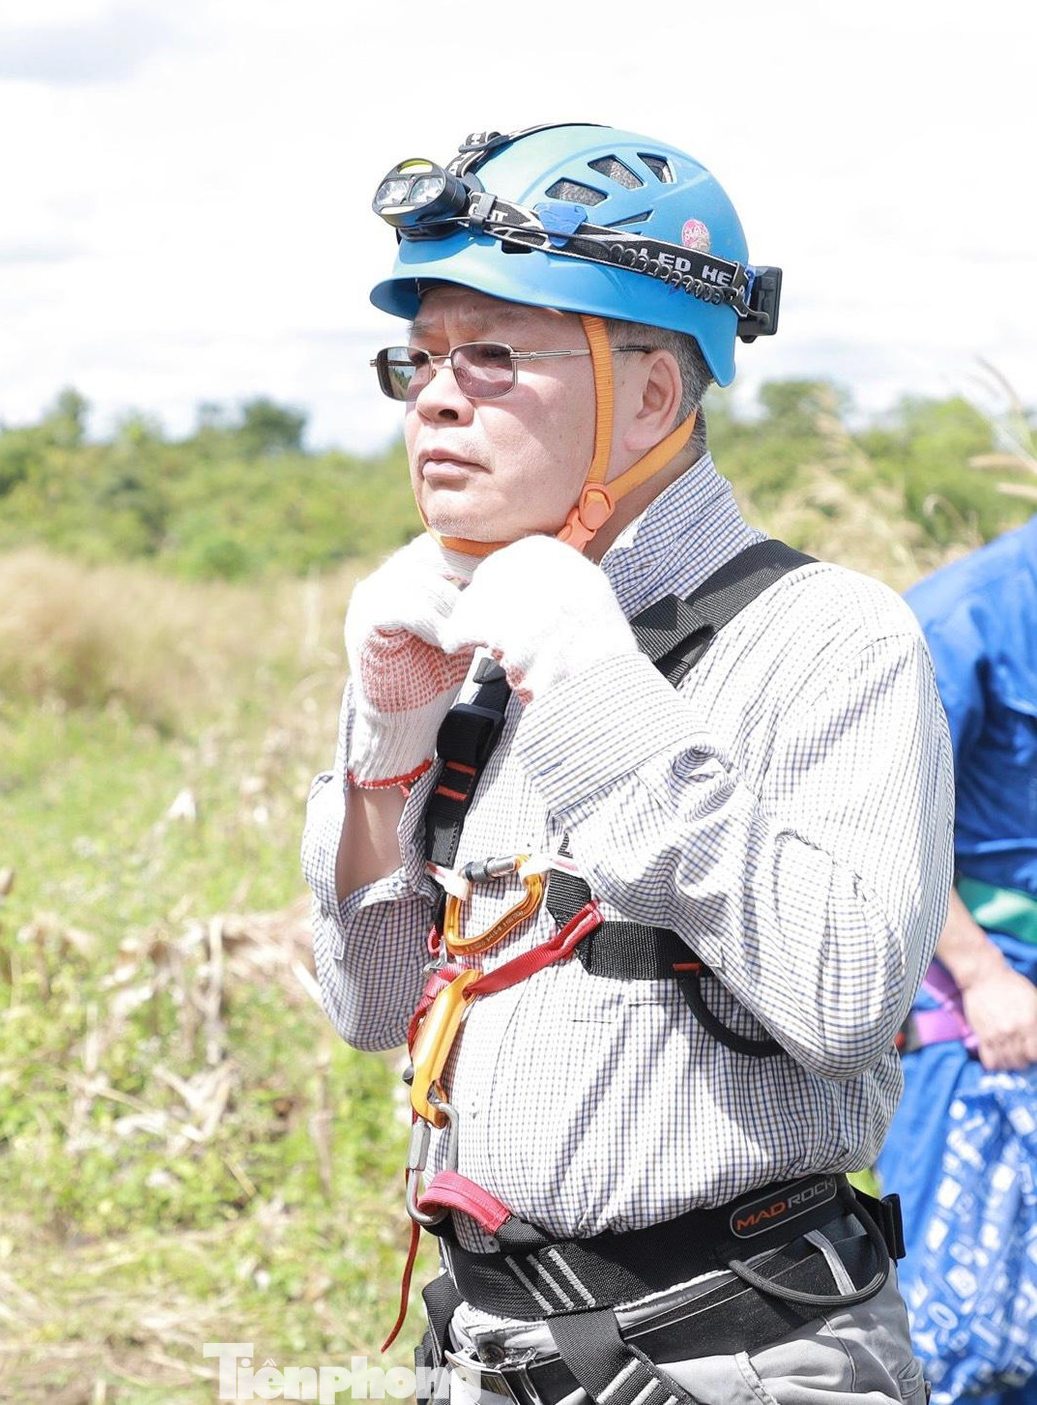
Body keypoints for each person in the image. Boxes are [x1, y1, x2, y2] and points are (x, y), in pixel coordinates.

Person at [301, 123, 953, 1404]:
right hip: (491, 1351)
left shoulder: (832, 636)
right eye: (421, 357)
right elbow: (373, 1007)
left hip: (741, 1358)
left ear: (652, 393)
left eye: (492, 354)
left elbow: (845, 998)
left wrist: (599, 695)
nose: (435, 396)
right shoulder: (474, 642)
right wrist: (381, 758)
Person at [876, 517, 1037, 1405]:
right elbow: (889, 824)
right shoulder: (958, 619)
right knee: (957, 1335)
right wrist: (982, 975)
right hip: (981, 1026)